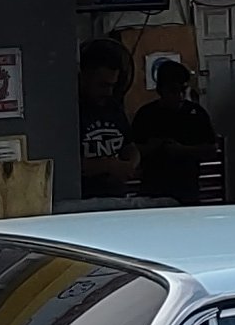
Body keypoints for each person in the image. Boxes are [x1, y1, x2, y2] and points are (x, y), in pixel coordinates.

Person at [128, 57, 222, 206]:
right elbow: (131, 149)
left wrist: (183, 150)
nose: (179, 96)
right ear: (160, 90)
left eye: (183, 90)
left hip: (187, 189)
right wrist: (152, 147)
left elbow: (211, 148)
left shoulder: (195, 113)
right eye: (172, 90)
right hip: (153, 189)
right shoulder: (147, 114)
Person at [77, 34, 135, 199]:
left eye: (113, 85)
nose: (108, 92)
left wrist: (129, 164)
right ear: (84, 77)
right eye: (102, 85)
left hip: (116, 197)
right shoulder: (70, 113)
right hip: (84, 200)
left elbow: (129, 145)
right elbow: (66, 164)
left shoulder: (113, 107)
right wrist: (108, 165)